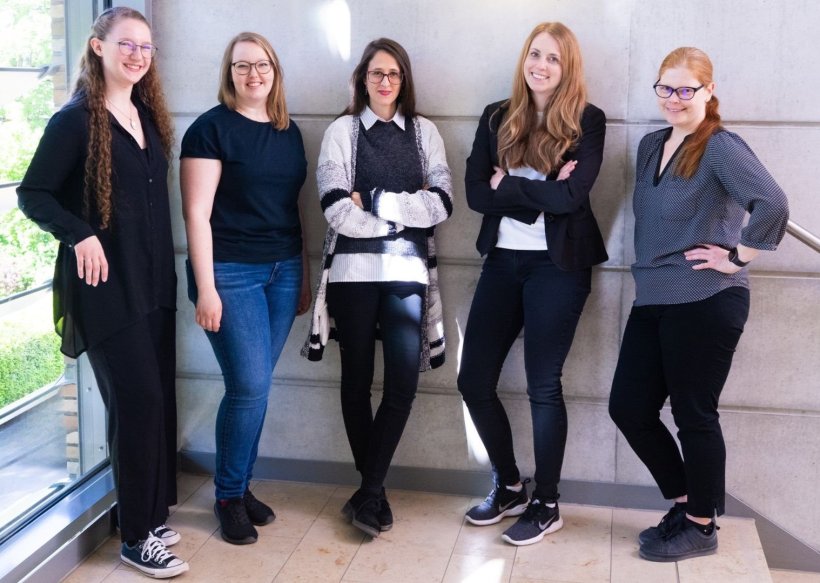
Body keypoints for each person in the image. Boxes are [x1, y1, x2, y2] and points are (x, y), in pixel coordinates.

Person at [16, 7, 187, 579]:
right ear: (97, 46)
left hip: (153, 284)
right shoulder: (75, 120)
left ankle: (148, 517)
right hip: (106, 290)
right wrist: (80, 233)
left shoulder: (145, 114)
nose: (137, 55)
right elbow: (34, 193)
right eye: (126, 44)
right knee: (137, 404)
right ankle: (136, 539)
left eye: (145, 47)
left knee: (155, 401)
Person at [608, 47, 789, 562]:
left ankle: (702, 526)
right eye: (665, 87)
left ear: (709, 91)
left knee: (694, 414)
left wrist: (737, 257)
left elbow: (773, 203)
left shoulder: (720, 146)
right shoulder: (651, 145)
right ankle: (688, 503)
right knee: (629, 407)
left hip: (706, 298)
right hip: (653, 295)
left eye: (687, 89)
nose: (675, 98)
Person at [457, 22, 608, 547]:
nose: (541, 66)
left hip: (557, 266)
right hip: (503, 261)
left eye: (554, 59)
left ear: (568, 69)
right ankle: (510, 486)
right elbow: (476, 194)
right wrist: (537, 190)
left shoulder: (588, 121)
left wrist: (510, 185)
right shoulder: (496, 116)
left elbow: (571, 199)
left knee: (543, 384)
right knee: (473, 380)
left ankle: (547, 503)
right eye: (535, 54)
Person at [301, 38, 452, 538]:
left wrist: (375, 199)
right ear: (362, 80)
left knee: (403, 384)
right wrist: (402, 220)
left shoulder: (424, 133)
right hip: (352, 276)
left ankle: (368, 491)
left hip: (407, 274)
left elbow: (442, 203)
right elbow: (334, 208)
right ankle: (374, 494)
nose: (385, 82)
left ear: (403, 80)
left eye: (394, 74)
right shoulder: (342, 131)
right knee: (357, 381)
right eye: (376, 74)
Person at [180, 32, 311, 545]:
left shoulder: (288, 131)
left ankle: (241, 485)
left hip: (283, 271)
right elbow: (196, 214)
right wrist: (206, 288)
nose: (253, 74)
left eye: (262, 65)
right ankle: (228, 497)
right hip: (230, 274)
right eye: (242, 66)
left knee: (257, 388)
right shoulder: (209, 130)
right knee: (249, 386)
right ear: (229, 73)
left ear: (275, 71)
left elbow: (293, 207)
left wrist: (302, 274)